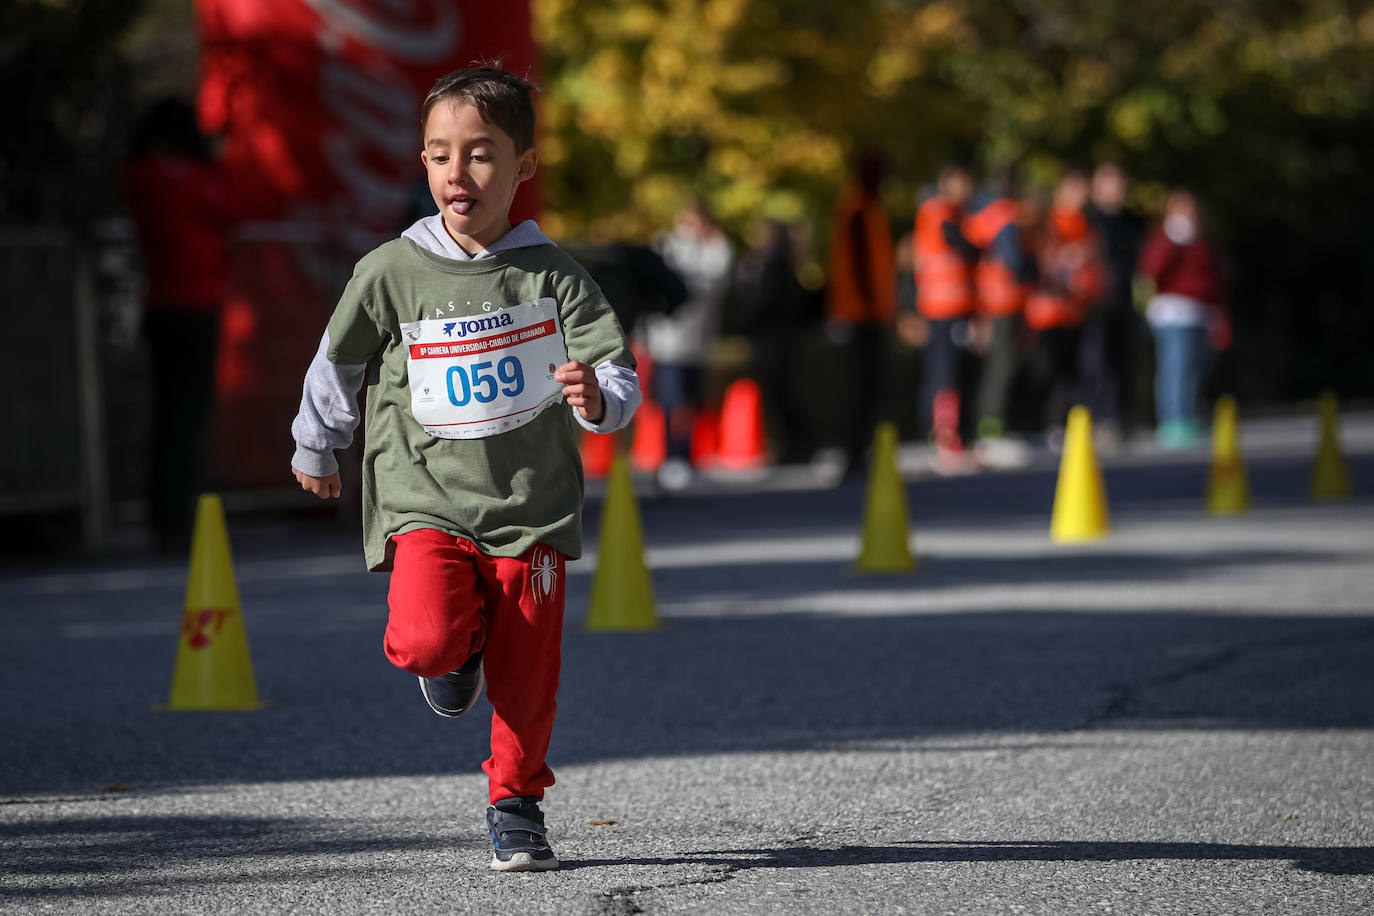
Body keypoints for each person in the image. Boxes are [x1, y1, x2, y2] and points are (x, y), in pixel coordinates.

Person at [289, 67, 640, 872]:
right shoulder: (392, 269)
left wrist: (596, 399)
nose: (459, 172)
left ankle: (515, 802)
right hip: (426, 499)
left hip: (531, 507)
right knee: (421, 640)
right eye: (441, 154)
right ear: (423, 164)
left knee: (528, 672)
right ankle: (454, 653)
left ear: (524, 166)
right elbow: (337, 360)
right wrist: (318, 442)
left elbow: (616, 371)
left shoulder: (553, 276)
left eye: (482, 154)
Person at [124, 97, 242, 552]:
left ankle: (165, 516)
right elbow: (231, 207)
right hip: (195, 305)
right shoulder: (183, 177)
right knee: (186, 418)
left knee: (166, 416)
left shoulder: (139, 172)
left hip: (159, 303)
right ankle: (178, 520)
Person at [644, 202, 733, 489]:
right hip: (669, 343)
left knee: (692, 402)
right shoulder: (669, 247)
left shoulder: (712, 250)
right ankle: (673, 457)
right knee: (673, 403)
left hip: (697, 342)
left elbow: (719, 278)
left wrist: (716, 244)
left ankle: (687, 456)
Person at [1136, 189, 1228, 449]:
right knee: (1174, 368)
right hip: (1173, 313)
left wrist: (1219, 316)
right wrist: (1172, 240)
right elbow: (1151, 272)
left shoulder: (1200, 242)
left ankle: (1187, 415)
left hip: (1200, 313)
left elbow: (1214, 281)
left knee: (1193, 369)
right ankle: (1171, 420)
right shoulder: (1166, 239)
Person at [1024, 169, 1106, 444]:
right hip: (1049, 309)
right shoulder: (1047, 220)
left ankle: (1070, 423)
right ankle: (1048, 424)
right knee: (1050, 370)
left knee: (1075, 370)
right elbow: (1041, 260)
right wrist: (1065, 260)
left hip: (1076, 306)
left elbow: (1091, 260)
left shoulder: (1085, 222)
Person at [827, 150, 896, 474]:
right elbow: (859, 268)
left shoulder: (867, 209)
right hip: (861, 314)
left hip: (869, 311)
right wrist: (871, 308)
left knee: (869, 387)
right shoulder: (858, 210)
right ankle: (854, 452)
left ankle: (863, 449)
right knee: (862, 387)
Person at [963, 164, 1030, 467]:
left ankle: (987, 422)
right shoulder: (1005, 214)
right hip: (1004, 297)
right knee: (1002, 363)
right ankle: (992, 423)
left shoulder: (980, 215)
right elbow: (1014, 260)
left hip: (985, 296)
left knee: (991, 362)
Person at [913, 164, 978, 471]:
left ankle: (948, 436)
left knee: (947, 372)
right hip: (943, 306)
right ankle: (944, 437)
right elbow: (958, 244)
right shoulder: (939, 211)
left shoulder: (952, 212)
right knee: (945, 374)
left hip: (949, 305)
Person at [739, 219, 818, 463]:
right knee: (785, 394)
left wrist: (749, 322)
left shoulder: (774, 266)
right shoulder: (784, 265)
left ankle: (795, 445)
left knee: (781, 395)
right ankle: (795, 445)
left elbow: (764, 303)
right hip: (782, 339)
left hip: (774, 341)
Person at [1084, 162, 1146, 447]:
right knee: (1096, 361)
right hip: (1093, 301)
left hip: (1124, 299)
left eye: (1119, 182)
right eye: (1109, 182)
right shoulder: (1087, 218)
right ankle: (1093, 418)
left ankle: (1120, 417)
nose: (1115, 188)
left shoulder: (1133, 221)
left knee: (1124, 359)